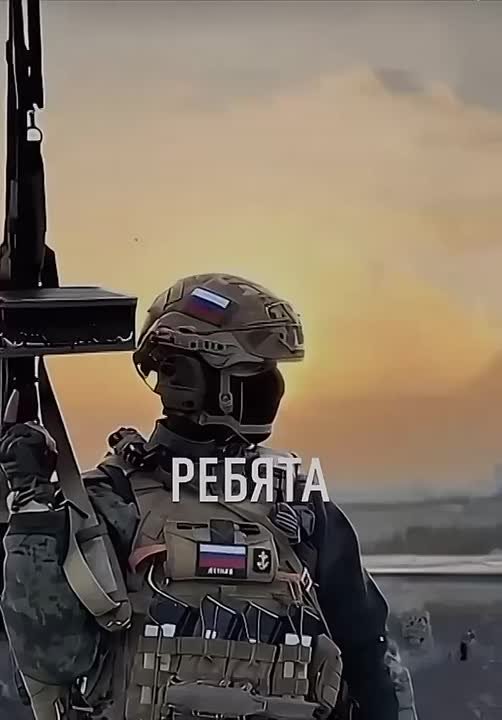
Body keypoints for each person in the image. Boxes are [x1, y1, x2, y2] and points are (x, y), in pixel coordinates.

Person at [0, 273, 408, 720]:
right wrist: (33, 509)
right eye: (253, 372)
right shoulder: (112, 500)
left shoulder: (299, 506)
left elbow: (369, 658)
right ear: (188, 378)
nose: (271, 387)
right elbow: (53, 661)